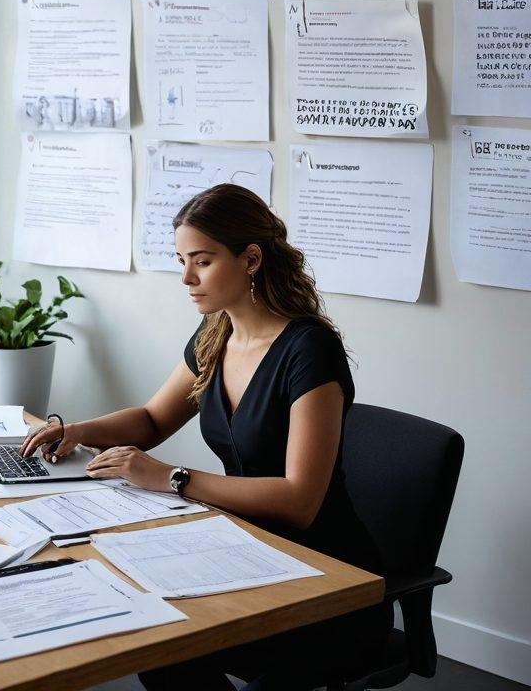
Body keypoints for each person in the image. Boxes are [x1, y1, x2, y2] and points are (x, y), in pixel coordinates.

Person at [21, 184, 390, 691]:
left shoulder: (310, 350)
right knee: (150, 631)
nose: (187, 278)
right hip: (246, 548)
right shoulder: (216, 333)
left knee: (171, 637)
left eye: (202, 261)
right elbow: (153, 419)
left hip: (326, 580)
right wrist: (79, 430)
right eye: (181, 260)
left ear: (251, 259)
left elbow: (300, 500)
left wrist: (170, 477)